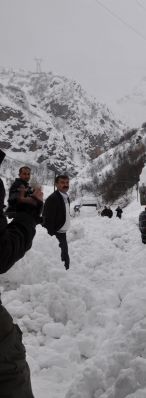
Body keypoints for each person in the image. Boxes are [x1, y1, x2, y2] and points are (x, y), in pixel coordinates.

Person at [0, 149, 39, 397]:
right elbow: (2, 253)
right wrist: (27, 217)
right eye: (23, 172)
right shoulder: (18, 187)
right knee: (11, 378)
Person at [42, 175, 71, 270]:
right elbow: (47, 220)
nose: (65, 185)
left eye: (67, 182)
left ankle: (65, 272)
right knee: (61, 259)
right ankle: (63, 275)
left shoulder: (66, 197)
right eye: (62, 182)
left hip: (62, 233)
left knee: (64, 256)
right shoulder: (53, 199)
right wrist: (52, 236)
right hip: (56, 234)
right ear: (56, 184)